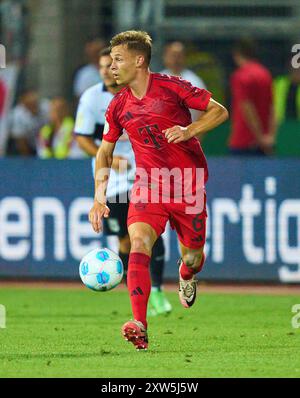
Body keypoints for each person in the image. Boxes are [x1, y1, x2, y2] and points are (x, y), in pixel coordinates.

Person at [89, 31, 228, 350]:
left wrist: (189, 129)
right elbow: (104, 152)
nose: (112, 67)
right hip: (148, 186)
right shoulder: (118, 105)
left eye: (118, 60)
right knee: (138, 241)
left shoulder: (173, 87)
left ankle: (187, 273)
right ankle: (139, 323)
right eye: (111, 62)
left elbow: (219, 111)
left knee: (192, 255)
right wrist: (99, 197)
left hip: (187, 186)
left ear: (139, 61)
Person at [75, 48, 171, 316]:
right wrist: (110, 158)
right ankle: (138, 295)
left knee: (152, 233)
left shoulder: (141, 94)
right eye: (103, 65)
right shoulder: (92, 99)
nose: (107, 70)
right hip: (115, 181)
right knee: (126, 241)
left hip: (146, 175)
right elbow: (82, 137)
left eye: (112, 64)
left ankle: (159, 292)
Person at [229, 38, 276, 156]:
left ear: (237, 55)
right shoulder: (265, 74)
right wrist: (270, 136)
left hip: (243, 141)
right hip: (265, 142)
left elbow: (247, 108)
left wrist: (260, 138)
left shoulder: (240, 76)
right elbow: (272, 108)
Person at [9, 89, 49, 156]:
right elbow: (21, 140)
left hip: (47, 143)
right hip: (29, 145)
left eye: (35, 102)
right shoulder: (17, 115)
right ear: (23, 103)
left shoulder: (47, 106)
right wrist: (28, 160)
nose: (34, 106)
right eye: (30, 104)